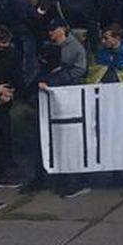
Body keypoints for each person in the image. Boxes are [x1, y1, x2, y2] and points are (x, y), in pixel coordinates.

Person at [37, 18, 89, 198]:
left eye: (53, 29)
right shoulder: (48, 46)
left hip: (68, 95)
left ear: (62, 30)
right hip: (50, 94)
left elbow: (80, 70)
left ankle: (75, 178)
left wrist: (59, 78)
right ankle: (48, 175)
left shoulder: (75, 47)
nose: (50, 32)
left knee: (71, 136)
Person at [0, 26, 23, 188]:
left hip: (2, 101)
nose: (5, 46)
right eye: (2, 43)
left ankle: (2, 173)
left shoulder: (11, 54)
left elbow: (15, 73)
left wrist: (10, 91)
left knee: (3, 136)